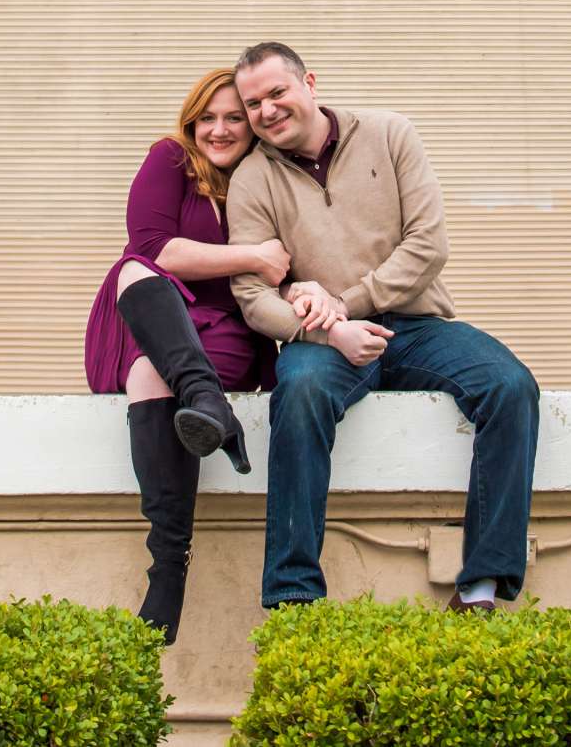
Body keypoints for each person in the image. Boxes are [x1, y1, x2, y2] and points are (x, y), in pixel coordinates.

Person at [225, 40, 540, 614]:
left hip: (417, 326)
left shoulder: (391, 133)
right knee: (298, 394)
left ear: (309, 83)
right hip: (323, 343)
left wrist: (345, 303)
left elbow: (428, 245)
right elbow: (252, 296)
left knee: (509, 386)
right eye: (252, 104)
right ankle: (294, 596)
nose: (266, 111)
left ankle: (482, 586)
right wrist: (328, 331)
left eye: (277, 92)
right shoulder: (250, 179)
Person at [82, 67, 283, 642]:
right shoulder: (169, 159)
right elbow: (155, 249)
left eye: (234, 119)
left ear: (254, 126)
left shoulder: (267, 179)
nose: (218, 130)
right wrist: (253, 256)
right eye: (207, 119)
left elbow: (288, 262)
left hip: (223, 335)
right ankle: (205, 402)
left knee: (153, 374)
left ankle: (167, 567)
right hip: (150, 314)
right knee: (135, 268)